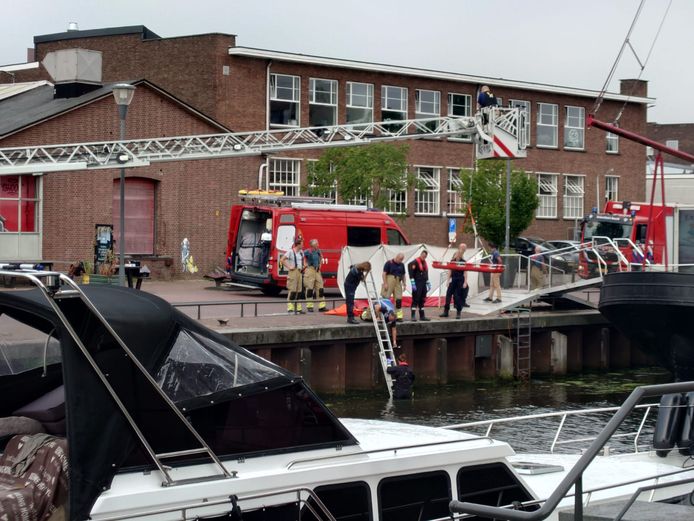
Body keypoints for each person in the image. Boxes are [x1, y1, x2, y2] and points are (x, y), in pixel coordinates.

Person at [440, 243, 469, 318]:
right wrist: (447, 281)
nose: (457, 255)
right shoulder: (452, 261)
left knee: (457, 296)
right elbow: (450, 271)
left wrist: (465, 282)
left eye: (458, 254)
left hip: (460, 280)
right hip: (453, 280)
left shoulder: (463, 262)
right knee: (448, 295)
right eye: (456, 254)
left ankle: (458, 313)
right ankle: (446, 312)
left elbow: (465, 272)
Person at [282, 236, 305, 314]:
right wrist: (289, 267)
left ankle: (298, 308)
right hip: (293, 272)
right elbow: (282, 260)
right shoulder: (291, 252)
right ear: (298, 244)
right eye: (302, 244)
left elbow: (303, 260)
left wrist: (303, 266)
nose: (303, 245)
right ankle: (290, 307)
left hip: (299, 272)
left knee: (299, 290)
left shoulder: (301, 252)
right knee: (292, 290)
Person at [381, 252, 406, 321]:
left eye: (402, 260)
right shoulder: (389, 263)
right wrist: (385, 283)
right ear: (397, 257)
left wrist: (404, 283)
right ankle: (385, 314)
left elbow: (403, 275)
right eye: (400, 259)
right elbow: (384, 274)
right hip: (389, 281)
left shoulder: (402, 265)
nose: (400, 261)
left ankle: (399, 316)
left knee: (398, 299)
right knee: (385, 298)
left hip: (398, 282)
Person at [303, 239, 327, 312]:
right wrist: (305, 265)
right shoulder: (307, 251)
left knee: (320, 288)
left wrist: (320, 265)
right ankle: (309, 306)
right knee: (310, 288)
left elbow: (321, 257)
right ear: (313, 245)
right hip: (310, 270)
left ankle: (322, 306)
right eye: (317, 244)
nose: (318, 245)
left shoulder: (318, 251)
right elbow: (302, 258)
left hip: (317, 271)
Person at [408, 250, 430, 321]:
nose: (424, 257)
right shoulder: (414, 262)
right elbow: (411, 273)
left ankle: (422, 316)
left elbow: (425, 273)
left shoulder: (424, 263)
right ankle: (413, 316)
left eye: (425, 256)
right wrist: (413, 283)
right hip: (417, 283)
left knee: (422, 299)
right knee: (415, 299)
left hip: (423, 284)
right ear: (421, 254)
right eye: (423, 255)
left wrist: (428, 282)